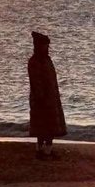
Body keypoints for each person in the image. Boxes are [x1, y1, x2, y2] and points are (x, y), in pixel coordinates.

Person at [28, 30, 66, 158]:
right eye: (44, 45)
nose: (46, 48)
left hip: (50, 97)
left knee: (49, 125)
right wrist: (40, 97)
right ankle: (41, 150)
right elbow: (35, 81)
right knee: (42, 125)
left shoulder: (46, 60)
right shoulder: (34, 62)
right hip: (41, 98)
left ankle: (47, 149)